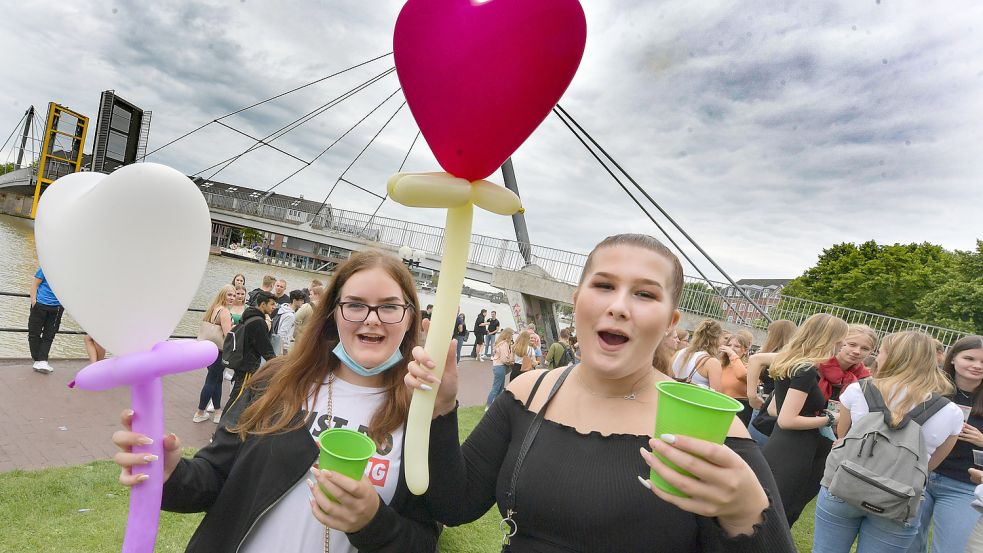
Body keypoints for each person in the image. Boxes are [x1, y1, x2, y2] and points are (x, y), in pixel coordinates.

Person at [405, 233, 796, 551]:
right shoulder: (530, 392)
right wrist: (440, 408)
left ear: (669, 322)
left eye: (645, 294)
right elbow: (453, 505)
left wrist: (747, 509)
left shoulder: (711, 429)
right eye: (604, 285)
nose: (619, 306)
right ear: (577, 302)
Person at [111, 251, 439, 552]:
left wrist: (373, 523)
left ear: (410, 317)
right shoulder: (276, 380)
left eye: (389, 306)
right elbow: (215, 476)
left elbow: (424, 539)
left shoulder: (423, 411)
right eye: (354, 304)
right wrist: (170, 473)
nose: (371, 318)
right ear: (333, 314)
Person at [812, 331, 963, 553]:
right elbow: (930, 464)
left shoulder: (859, 389)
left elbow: (843, 435)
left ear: (892, 356)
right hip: (899, 499)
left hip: (845, 484)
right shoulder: (951, 412)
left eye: (880, 351)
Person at [762, 312, 849, 526]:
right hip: (795, 450)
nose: (842, 345)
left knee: (770, 510)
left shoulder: (789, 364)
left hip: (783, 445)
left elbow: (775, 409)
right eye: (841, 340)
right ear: (829, 338)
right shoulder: (806, 370)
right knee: (781, 513)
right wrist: (830, 419)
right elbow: (786, 419)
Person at [908, 335, 983, 553]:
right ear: (953, 358)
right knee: (906, 544)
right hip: (918, 475)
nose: (977, 366)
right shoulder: (930, 388)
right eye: (969, 358)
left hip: (964, 484)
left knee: (952, 548)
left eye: (982, 361)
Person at [745, 319, 798, 447]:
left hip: (765, 406)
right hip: (774, 407)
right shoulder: (789, 357)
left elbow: (754, 360)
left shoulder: (779, 357)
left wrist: (751, 396)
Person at [194, 285, 235, 424]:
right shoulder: (224, 312)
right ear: (223, 295)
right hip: (219, 351)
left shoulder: (213, 308)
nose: (232, 298)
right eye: (229, 295)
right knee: (211, 381)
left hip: (207, 349)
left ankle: (217, 412)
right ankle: (200, 412)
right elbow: (228, 334)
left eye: (234, 296)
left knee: (217, 381)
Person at [228, 291, 278, 403]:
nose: (274, 307)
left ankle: (229, 419)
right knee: (238, 399)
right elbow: (266, 348)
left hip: (241, 362)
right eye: (272, 304)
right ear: (263, 304)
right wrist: (277, 364)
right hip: (248, 366)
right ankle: (227, 420)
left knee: (238, 396)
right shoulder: (259, 322)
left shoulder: (249, 314)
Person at [817, 324, 877, 407]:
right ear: (839, 342)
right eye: (852, 344)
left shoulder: (865, 381)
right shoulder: (814, 366)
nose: (857, 351)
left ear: (870, 353)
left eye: (865, 349)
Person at [28, 267, 64, 374]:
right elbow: (35, 284)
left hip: (57, 308)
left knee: (49, 334)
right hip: (40, 305)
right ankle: (38, 360)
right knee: (34, 333)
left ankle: (42, 361)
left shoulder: (68, 271)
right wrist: (34, 301)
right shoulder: (45, 267)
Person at [670, 319, 724, 391]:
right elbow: (717, 396)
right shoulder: (712, 362)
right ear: (717, 339)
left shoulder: (678, 353)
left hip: (673, 397)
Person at [720, 330, 754, 426]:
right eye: (729, 345)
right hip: (721, 404)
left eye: (737, 346)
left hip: (739, 409)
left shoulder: (749, 366)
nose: (732, 348)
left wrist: (733, 355)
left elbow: (741, 375)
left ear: (745, 350)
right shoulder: (721, 364)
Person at [487, 328, 515, 410]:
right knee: (496, 388)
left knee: (499, 388)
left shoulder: (500, 343)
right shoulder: (504, 344)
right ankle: (488, 406)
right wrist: (511, 362)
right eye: (512, 335)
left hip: (498, 366)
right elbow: (504, 359)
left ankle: (496, 406)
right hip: (500, 367)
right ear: (508, 335)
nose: (512, 337)